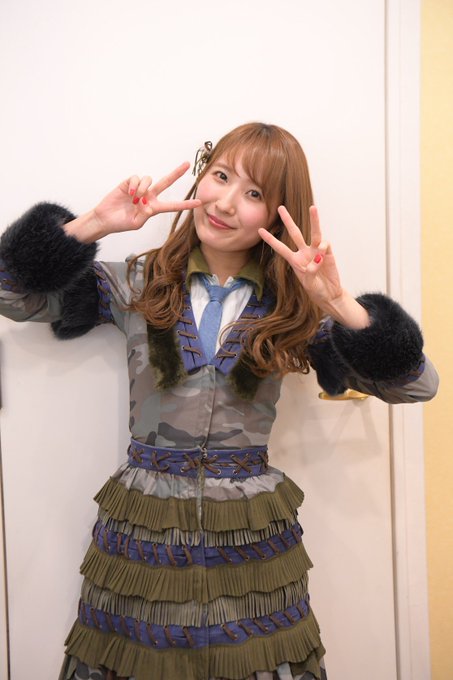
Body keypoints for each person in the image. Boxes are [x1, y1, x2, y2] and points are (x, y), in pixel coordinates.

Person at [0, 122, 438, 680]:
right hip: (145, 531)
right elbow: (11, 293)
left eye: (253, 193)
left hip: (250, 542)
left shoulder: (295, 309)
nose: (226, 203)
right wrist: (91, 226)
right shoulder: (138, 282)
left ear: (278, 213)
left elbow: (418, 385)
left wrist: (340, 304)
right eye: (222, 176)